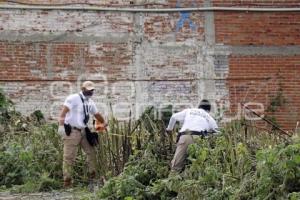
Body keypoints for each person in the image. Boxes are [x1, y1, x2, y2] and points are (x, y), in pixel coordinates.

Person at [57, 81, 106, 188]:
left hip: (84, 131)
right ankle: (67, 182)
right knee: (69, 157)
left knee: (91, 153)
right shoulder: (73, 98)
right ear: (83, 89)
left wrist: (104, 123)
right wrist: (61, 127)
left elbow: (97, 115)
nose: (90, 92)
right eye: (88, 90)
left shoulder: (90, 102)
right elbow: (63, 113)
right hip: (72, 131)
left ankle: (92, 179)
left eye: (92, 90)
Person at [166, 100, 218, 172]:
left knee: (176, 167)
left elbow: (174, 117)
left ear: (199, 107)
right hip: (200, 139)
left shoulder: (189, 111)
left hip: (186, 136)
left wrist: (169, 129)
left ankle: (172, 179)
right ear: (208, 110)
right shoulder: (209, 117)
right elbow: (217, 132)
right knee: (198, 167)